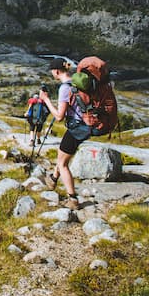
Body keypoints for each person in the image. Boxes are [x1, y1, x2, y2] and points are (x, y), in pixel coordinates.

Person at [39, 57, 86, 210]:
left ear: (57, 71)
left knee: (62, 163)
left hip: (77, 128)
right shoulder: (77, 83)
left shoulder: (65, 88)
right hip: (83, 125)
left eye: (52, 71)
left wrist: (46, 100)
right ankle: (53, 179)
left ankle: (72, 199)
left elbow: (59, 116)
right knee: (61, 153)